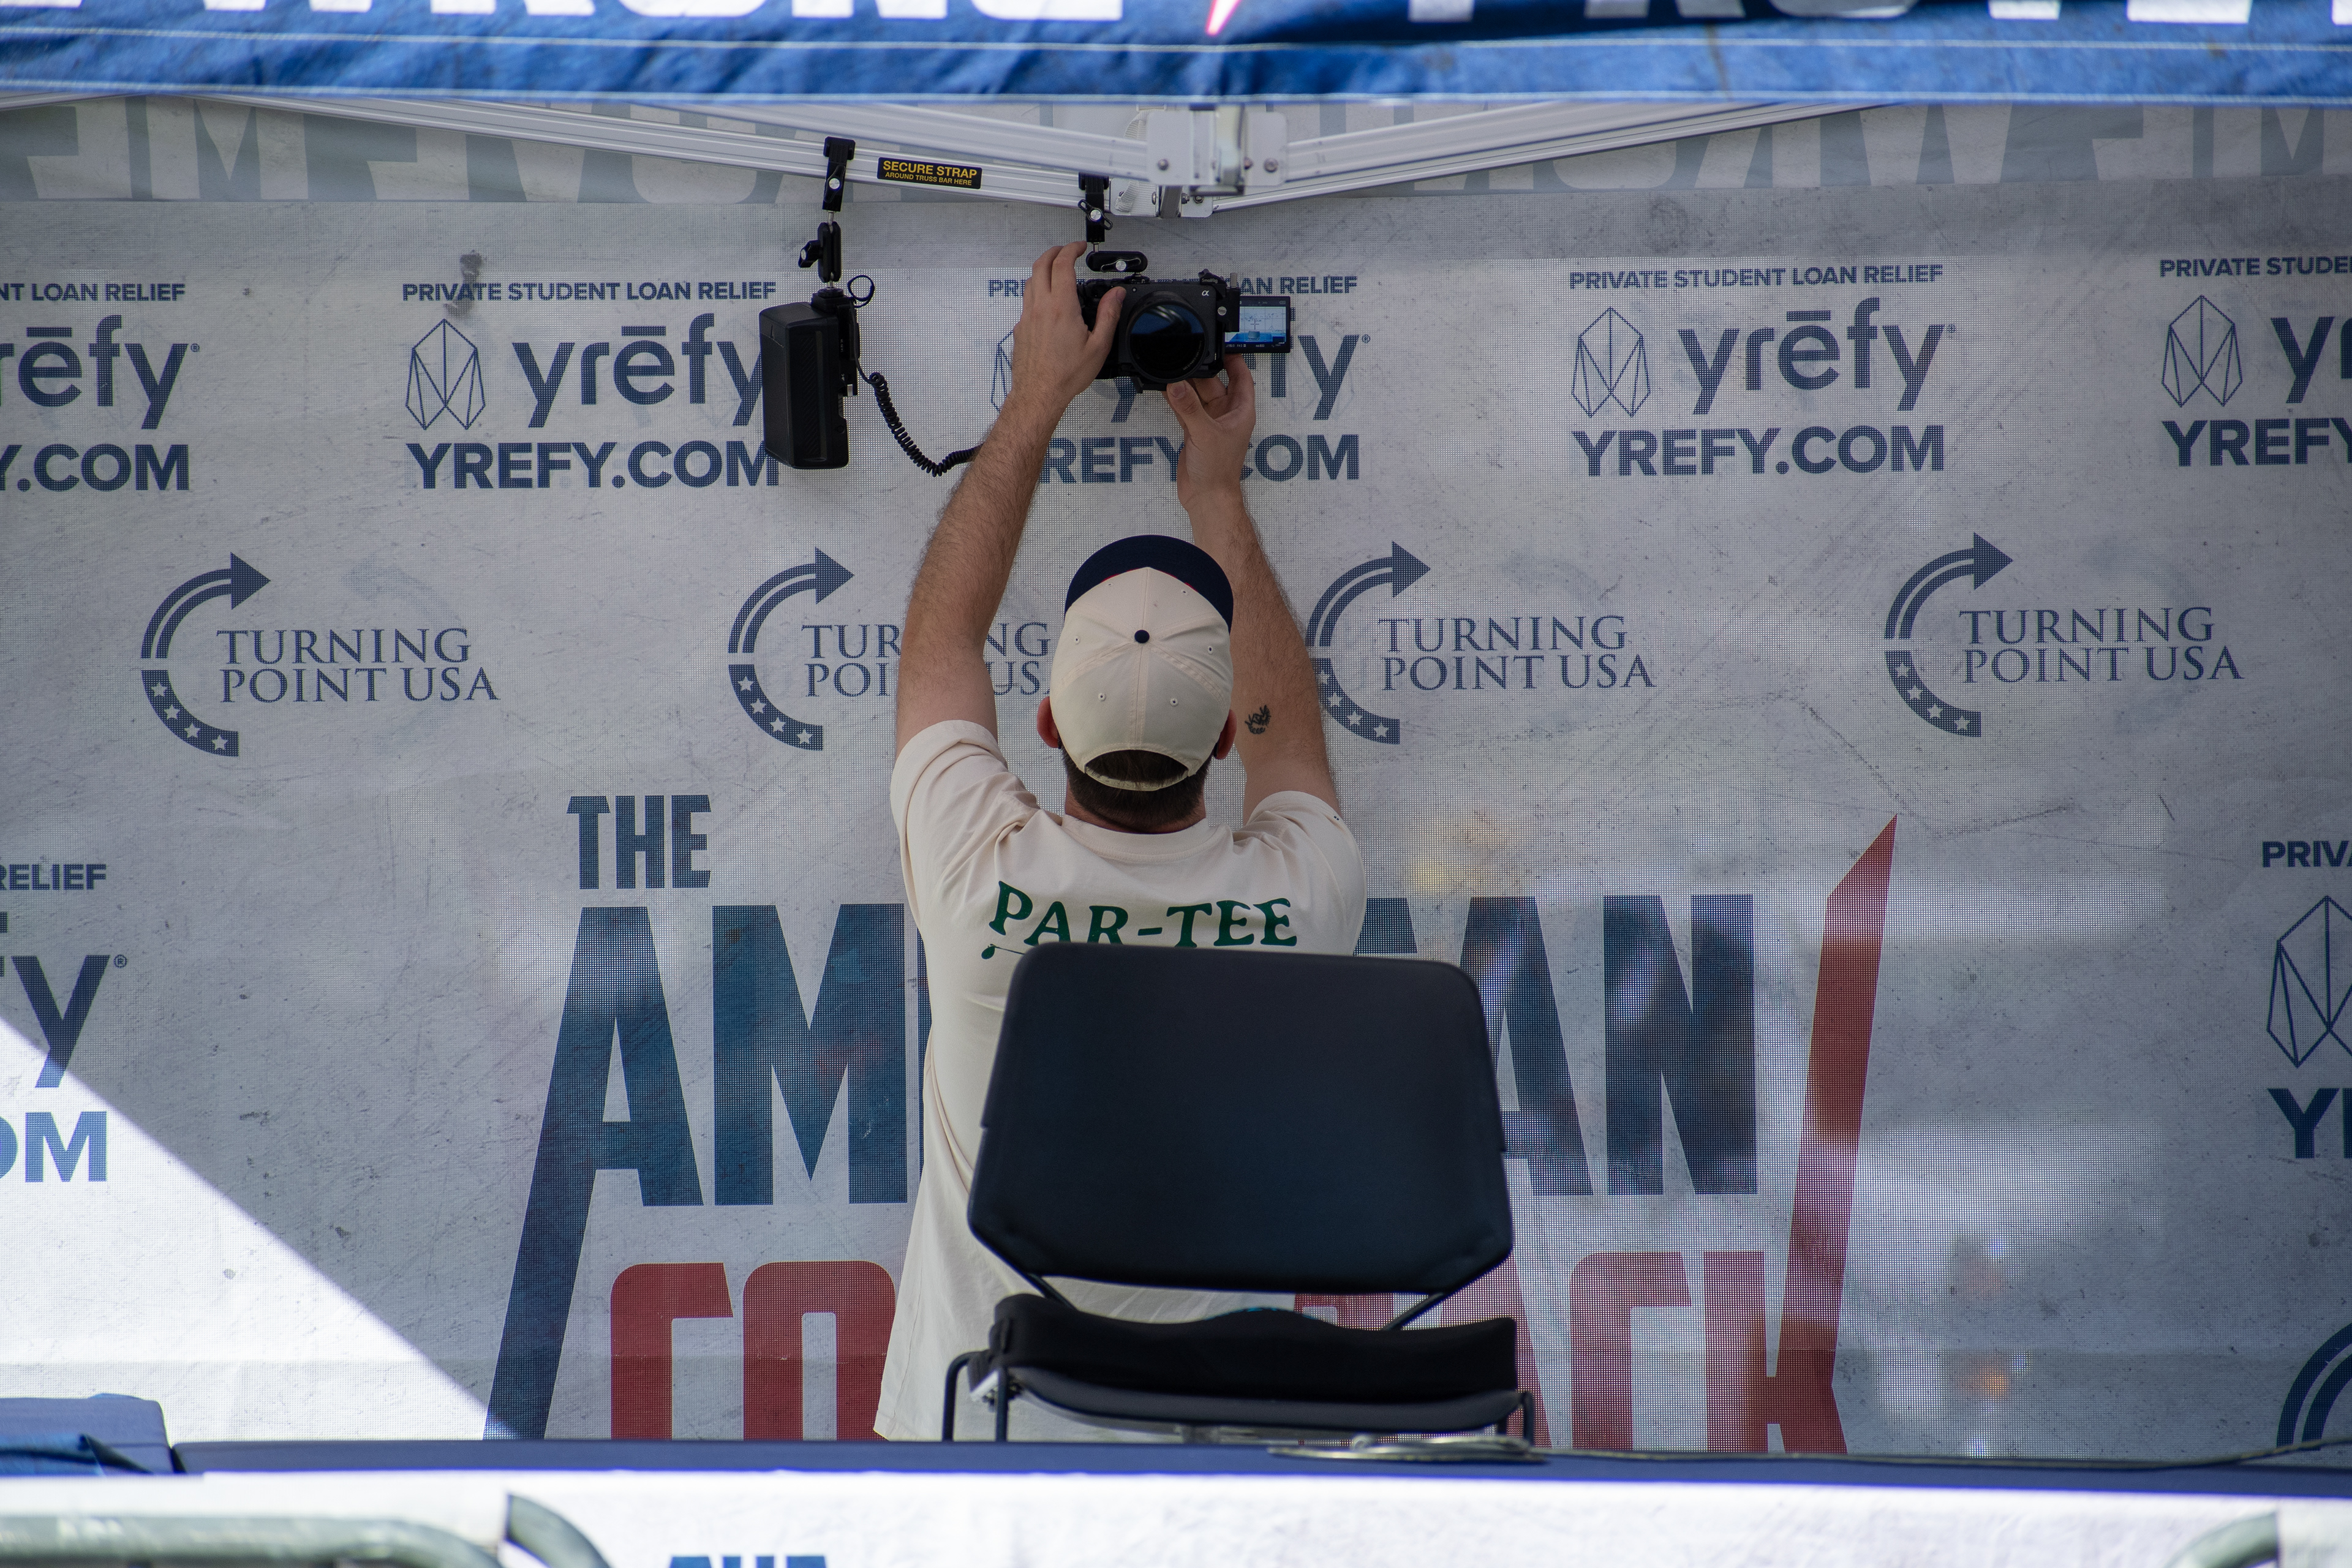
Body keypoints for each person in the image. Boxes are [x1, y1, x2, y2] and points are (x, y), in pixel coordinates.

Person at [873, 241, 1369, 1441]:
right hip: (1209, 1459)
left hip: (974, 1439)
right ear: (1218, 749)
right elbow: (1292, 733)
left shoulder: (974, 868)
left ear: (1044, 723)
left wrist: (1035, 396)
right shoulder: (1302, 897)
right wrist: (1215, 485)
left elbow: (941, 639)